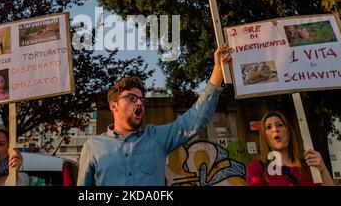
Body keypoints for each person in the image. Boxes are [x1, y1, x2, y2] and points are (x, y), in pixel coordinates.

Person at [77, 45, 231, 186]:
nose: (139, 103)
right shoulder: (92, 146)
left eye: (142, 100)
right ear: (113, 105)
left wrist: (217, 71)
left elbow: (192, 122)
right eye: (131, 98)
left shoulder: (156, 137)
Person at [246, 111, 335, 186]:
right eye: (268, 127)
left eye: (280, 125)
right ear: (265, 137)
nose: (275, 129)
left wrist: (323, 169)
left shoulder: (309, 167)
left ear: (289, 132)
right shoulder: (258, 169)